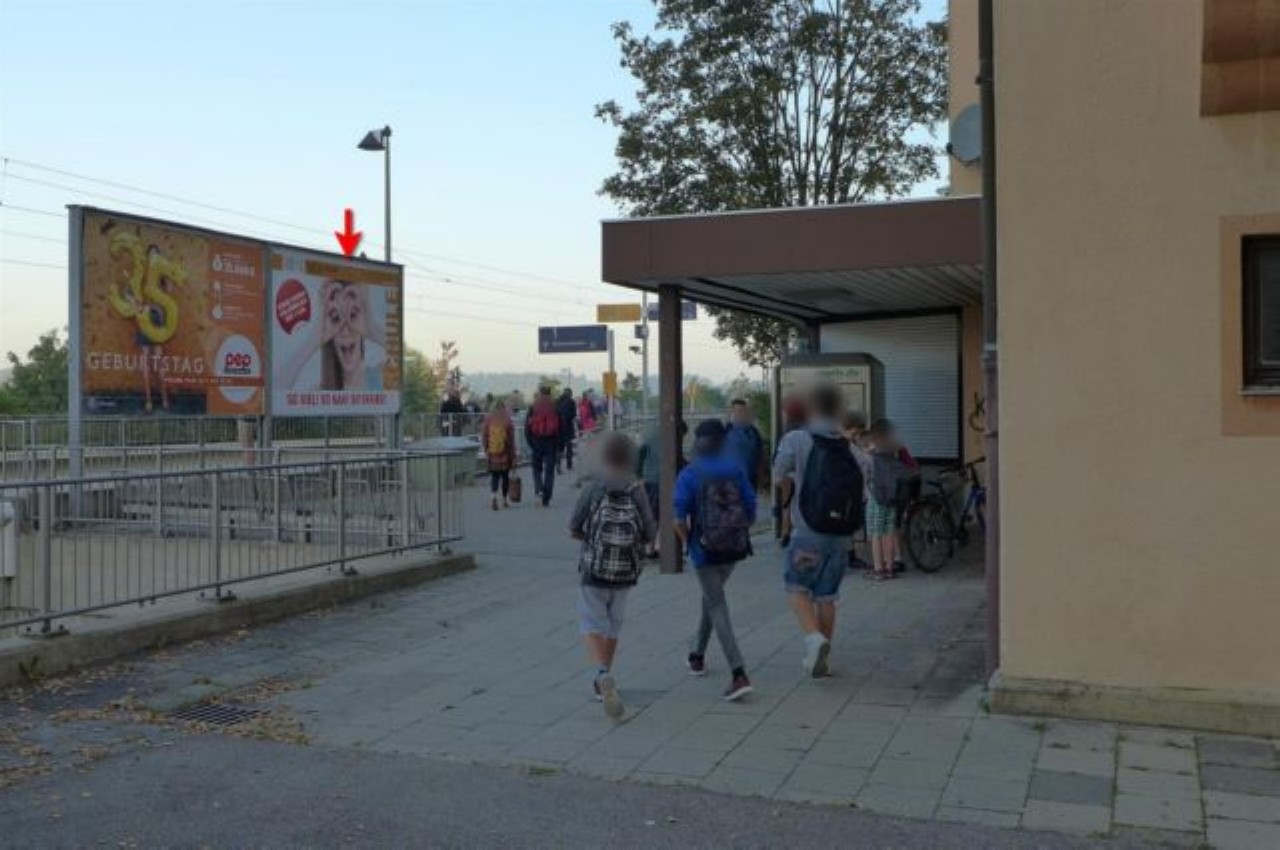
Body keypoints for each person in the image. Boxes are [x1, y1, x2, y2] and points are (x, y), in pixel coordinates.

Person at [773, 384, 865, 678]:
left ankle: (814, 640)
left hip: (808, 532)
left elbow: (777, 475)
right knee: (827, 595)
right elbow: (867, 477)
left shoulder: (797, 439)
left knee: (797, 588)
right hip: (841, 537)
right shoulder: (851, 448)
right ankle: (822, 661)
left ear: (813, 408)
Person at [569, 431, 656, 719]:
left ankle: (601, 673)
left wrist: (590, 541)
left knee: (591, 622)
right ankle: (603, 678)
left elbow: (574, 527)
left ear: (605, 457)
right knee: (613, 624)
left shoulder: (594, 487)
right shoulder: (636, 488)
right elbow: (650, 532)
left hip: (593, 570)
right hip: (625, 572)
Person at [673, 420, 757, 702]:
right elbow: (751, 507)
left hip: (704, 550)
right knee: (711, 598)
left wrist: (689, 543)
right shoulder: (736, 469)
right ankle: (697, 655)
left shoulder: (690, 474)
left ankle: (739, 673)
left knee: (716, 604)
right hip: (734, 548)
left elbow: (678, 520)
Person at [279, 279, 387, 395]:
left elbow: (397, 352)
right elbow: (274, 394)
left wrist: (372, 328)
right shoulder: (319, 393)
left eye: (352, 315)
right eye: (336, 319)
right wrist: (315, 337)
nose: (345, 331)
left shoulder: (381, 376)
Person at [864, 419, 911, 581]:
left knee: (876, 534)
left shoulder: (871, 455)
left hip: (876, 498)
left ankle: (878, 569)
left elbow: (866, 473)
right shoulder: (894, 450)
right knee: (889, 532)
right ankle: (890, 568)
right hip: (892, 497)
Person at [637, 419, 688, 559]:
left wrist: (639, 475)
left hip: (651, 480)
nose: (682, 439)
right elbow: (678, 460)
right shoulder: (668, 438)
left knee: (653, 515)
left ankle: (651, 548)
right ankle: (651, 548)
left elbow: (638, 454)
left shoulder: (652, 435)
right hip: (658, 480)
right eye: (682, 435)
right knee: (660, 516)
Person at [524, 386, 562, 507]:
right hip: (551, 441)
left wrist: (530, 442)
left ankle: (539, 488)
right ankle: (547, 497)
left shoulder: (533, 406)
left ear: (540, 393)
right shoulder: (555, 406)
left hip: (536, 441)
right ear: (550, 393)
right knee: (549, 470)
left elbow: (527, 427)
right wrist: (559, 444)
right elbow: (560, 426)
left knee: (536, 468)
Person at [482, 401, 517, 511]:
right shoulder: (507, 420)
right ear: (503, 408)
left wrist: (486, 448)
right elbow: (511, 439)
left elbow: (484, 435)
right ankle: (504, 500)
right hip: (505, 452)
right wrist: (513, 454)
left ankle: (494, 497)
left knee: (495, 477)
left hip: (493, 453)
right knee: (505, 476)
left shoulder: (489, 418)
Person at [725, 399, 767, 490]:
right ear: (731, 413)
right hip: (731, 480)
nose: (741, 414)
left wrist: (761, 476)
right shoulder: (724, 432)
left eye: (743, 411)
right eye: (737, 411)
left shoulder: (754, 432)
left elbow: (761, 454)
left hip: (751, 479)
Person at [556, 388, 579, 473]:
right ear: (570, 394)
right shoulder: (571, 402)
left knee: (559, 448)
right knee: (569, 447)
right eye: (571, 393)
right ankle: (569, 465)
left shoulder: (557, 401)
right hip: (568, 428)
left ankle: (558, 465)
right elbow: (574, 415)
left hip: (558, 428)